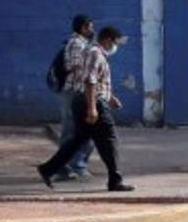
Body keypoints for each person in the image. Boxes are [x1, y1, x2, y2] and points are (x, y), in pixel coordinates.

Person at [37, 26, 134, 192]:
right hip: (91, 102)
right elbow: (90, 81)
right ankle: (115, 180)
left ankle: (47, 169)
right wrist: (92, 109)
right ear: (108, 40)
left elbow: (95, 81)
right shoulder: (95, 53)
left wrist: (110, 97)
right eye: (115, 43)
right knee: (109, 140)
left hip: (86, 101)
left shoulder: (92, 52)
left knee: (78, 140)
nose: (115, 47)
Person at [56, 14, 96, 180]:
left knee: (84, 131)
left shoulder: (84, 44)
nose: (93, 30)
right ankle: (70, 167)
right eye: (90, 27)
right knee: (73, 131)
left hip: (78, 92)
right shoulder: (76, 44)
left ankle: (73, 166)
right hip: (74, 92)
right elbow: (77, 68)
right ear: (83, 28)